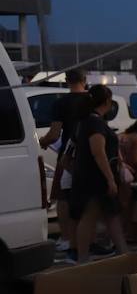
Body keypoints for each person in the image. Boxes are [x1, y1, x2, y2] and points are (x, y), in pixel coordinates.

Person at [68, 85, 129, 264]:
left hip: (86, 176)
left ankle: (123, 251)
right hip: (96, 178)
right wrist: (110, 179)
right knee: (90, 216)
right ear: (108, 101)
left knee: (111, 215)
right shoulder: (95, 123)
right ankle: (83, 258)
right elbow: (98, 152)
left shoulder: (84, 121)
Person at [38, 68, 89, 252]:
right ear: (85, 79)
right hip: (90, 155)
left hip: (68, 156)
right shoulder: (92, 100)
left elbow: (54, 134)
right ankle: (86, 237)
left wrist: (42, 142)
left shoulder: (60, 104)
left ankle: (67, 238)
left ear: (67, 81)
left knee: (63, 198)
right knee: (88, 198)